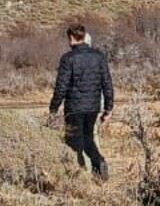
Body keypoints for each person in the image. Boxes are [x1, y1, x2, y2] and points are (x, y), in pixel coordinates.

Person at [49, 23, 114, 179]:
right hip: (93, 107)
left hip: (74, 107)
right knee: (88, 139)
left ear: (71, 38)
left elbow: (61, 87)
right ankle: (98, 164)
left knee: (73, 142)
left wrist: (53, 108)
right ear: (84, 37)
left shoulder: (68, 59)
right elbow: (107, 83)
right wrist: (108, 108)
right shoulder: (99, 57)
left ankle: (77, 177)